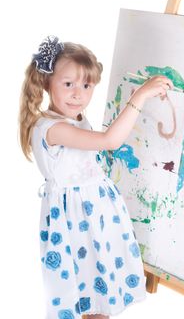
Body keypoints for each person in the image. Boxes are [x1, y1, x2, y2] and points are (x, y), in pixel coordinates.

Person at [19, 35, 173, 319]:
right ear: (46, 83)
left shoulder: (74, 119)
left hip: (95, 217)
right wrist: (140, 95)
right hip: (77, 222)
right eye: (68, 84)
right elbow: (109, 140)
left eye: (86, 85)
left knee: (99, 295)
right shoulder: (51, 128)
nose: (79, 93)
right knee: (85, 295)